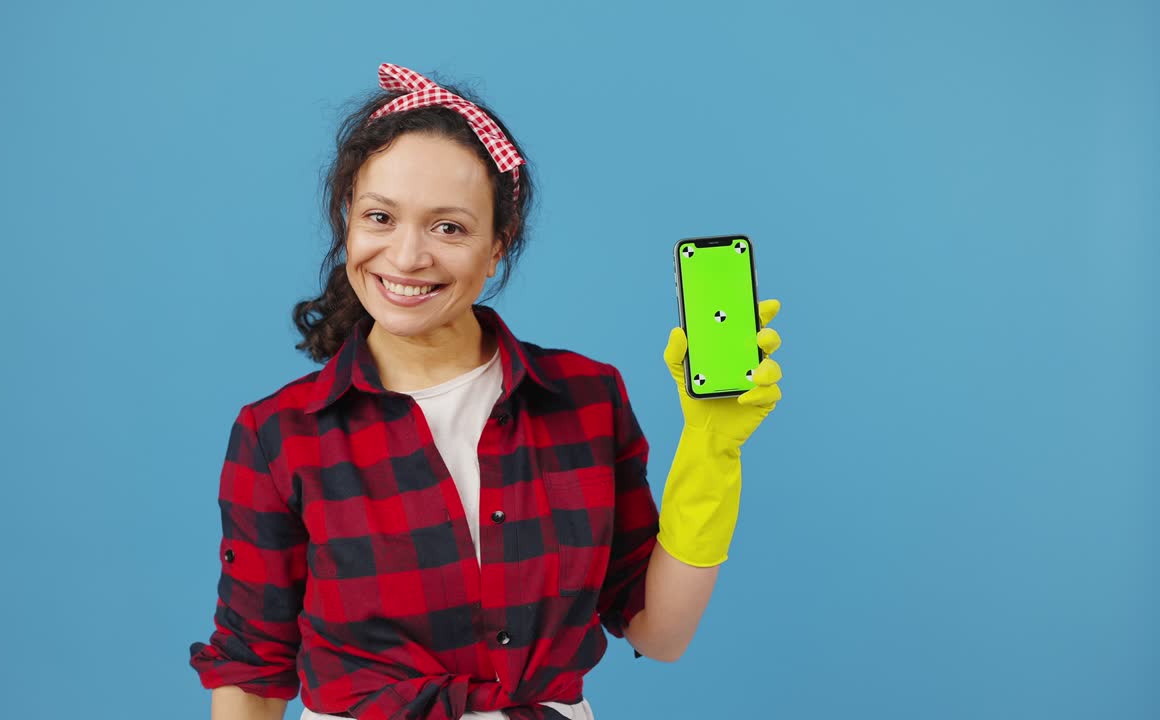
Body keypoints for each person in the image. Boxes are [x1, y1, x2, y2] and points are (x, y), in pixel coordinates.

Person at [188, 62, 784, 720]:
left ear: (498, 247)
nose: (407, 257)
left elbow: (660, 634)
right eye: (381, 217)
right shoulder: (279, 435)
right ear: (347, 223)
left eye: (449, 228)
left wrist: (711, 447)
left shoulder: (587, 399)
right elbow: (253, 671)